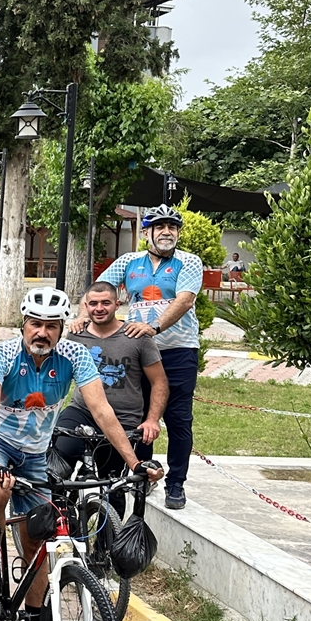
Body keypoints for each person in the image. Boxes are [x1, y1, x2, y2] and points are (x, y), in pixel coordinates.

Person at [0, 287, 163, 621]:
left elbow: (102, 410)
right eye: (35, 324)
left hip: (34, 454)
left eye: (51, 326)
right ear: (23, 324)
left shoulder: (75, 355)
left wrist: (133, 463)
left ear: (62, 329)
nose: (42, 332)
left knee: (38, 536)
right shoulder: (1, 354)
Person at [78, 203, 202, 510]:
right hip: (137, 350)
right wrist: (82, 318)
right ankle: (141, 474)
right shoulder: (129, 261)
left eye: (172, 227)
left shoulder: (189, 261)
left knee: (178, 418)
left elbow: (185, 300)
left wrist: (154, 327)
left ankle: (176, 483)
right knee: (138, 416)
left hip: (177, 350)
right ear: (147, 233)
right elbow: (97, 291)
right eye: (159, 227)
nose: (166, 232)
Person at [53, 281, 168, 517]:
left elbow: (159, 382)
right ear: (85, 306)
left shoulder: (137, 337)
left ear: (117, 304)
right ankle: (58, 522)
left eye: (105, 303)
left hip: (123, 419)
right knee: (56, 467)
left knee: (113, 486)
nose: (99, 308)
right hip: (82, 412)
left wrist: (152, 420)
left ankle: (108, 539)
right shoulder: (76, 336)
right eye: (93, 303)